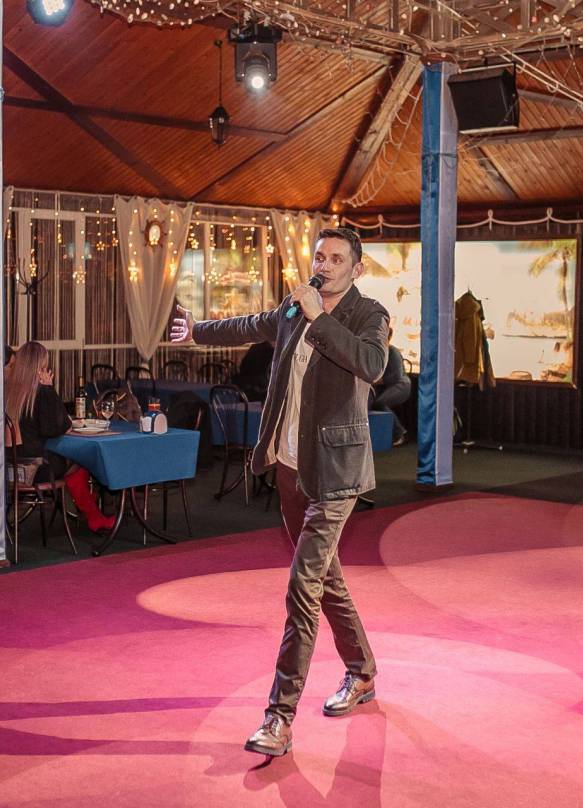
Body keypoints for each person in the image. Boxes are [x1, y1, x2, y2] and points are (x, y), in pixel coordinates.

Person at [170, 227, 388, 758]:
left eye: (336, 259)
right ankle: (362, 672)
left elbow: (371, 365)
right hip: (290, 466)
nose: (325, 265)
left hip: (335, 472)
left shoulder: (369, 315)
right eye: (320, 256)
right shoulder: (293, 308)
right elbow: (249, 324)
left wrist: (320, 317)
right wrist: (197, 330)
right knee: (325, 579)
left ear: (356, 269)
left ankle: (279, 717)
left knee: (302, 586)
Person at [4, 341, 114, 534]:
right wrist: (49, 388)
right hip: (34, 470)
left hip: (7, 468)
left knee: (70, 462)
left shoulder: (8, 392)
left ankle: (90, 510)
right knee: (80, 461)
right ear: (39, 367)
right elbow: (56, 428)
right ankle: (93, 513)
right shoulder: (39, 393)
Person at [370, 327, 411, 445]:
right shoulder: (380, 351)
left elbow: (395, 377)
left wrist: (377, 381)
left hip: (401, 386)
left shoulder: (393, 351)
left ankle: (400, 433)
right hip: (387, 386)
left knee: (380, 403)